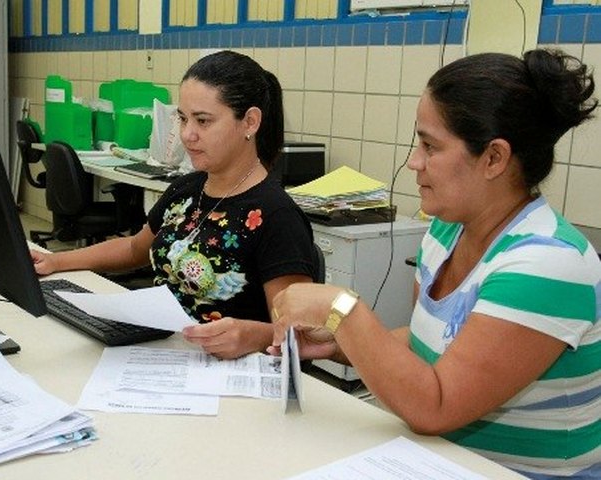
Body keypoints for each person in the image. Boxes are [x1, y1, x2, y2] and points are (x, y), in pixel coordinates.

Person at [270, 48, 601, 479]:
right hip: (438, 460)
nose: (414, 162)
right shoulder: (447, 230)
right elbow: (433, 344)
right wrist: (342, 345)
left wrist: (341, 311)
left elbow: (436, 405)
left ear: (494, 158)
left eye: (431, 146)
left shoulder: (547, 263)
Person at [32, 50, 316, 359]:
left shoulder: (277, 216)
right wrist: (56, 262)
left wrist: (252, 335)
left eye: (203, 121)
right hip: (162, 355)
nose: (187, 135)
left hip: (229, 376)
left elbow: (297, 334)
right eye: (183, 119)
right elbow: (133, 250)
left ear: (249, 122)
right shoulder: (186, 189)